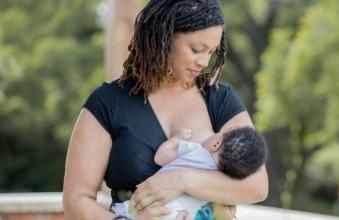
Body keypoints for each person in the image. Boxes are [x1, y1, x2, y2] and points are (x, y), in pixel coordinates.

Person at [62, 0, 269, 219]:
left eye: (212, 52)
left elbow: (257, 185)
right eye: (197, 49)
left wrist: (181, 180)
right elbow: (76, 200)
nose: (204, 62)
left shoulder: (219, 98)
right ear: (165, 36)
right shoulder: (107, 103)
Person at [112, 126, 267, 219]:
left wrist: (176, 138)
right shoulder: (218, 187)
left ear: (216, 143)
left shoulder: (195, 150)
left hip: (149, 206)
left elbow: (160, 157)